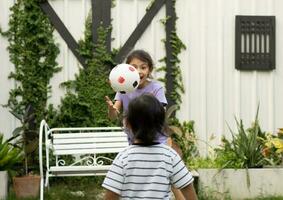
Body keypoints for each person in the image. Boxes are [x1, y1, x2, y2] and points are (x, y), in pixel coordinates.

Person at [102, 94, 198, 200]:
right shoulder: (170, 156)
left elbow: (110, 196)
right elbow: (188, 190)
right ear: (161, 124)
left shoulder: (124, 158)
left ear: (128, 123)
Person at [105, 49, 168, 144]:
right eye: (134, 68)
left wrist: (150, 104)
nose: (138, 71)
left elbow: (161, 114)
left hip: (156, 141)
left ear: (149, 70)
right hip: (134, 141)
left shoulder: (156, 88)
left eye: (143, 67)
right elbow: (113, 117)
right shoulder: (123, 88)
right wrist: (111, 110)